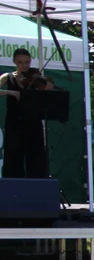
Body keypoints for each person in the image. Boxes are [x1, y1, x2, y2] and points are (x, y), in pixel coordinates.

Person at [0, 48, 49, 179]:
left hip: (33, 121)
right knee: (13, 155)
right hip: (14, 122)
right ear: (14, 62)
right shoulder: (8, 77)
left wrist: (42, 81)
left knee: (36, 155)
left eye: (27, 62)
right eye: (20, 62)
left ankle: (37, 187)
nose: (24, 65)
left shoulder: (35, 77)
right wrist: (10, 92)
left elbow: (48, 88)